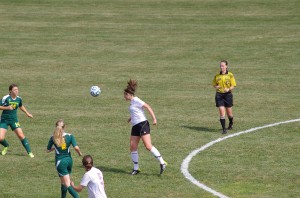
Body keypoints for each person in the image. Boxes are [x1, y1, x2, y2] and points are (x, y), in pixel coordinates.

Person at [123, 79, 167, 175]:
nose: (124, 96)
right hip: (135, 126)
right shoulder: (132, 103)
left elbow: (148, 107)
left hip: (142, 124)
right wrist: (131, 118)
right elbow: (137, 111)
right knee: (133, 147)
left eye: (125, 94)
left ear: (129, 94)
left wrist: (154, 119)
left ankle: (162, 163)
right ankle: (136, 168)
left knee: (148, 146)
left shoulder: (136, 100)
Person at [47, 119, 82, 198]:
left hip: (60, 162)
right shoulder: (70, 136)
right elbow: (76, 147)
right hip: (69, 160)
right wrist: (79, 153)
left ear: (56, 127)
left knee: (67, 184)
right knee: (63, 182)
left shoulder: (53, 137)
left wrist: (54, 148)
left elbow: (47, 150)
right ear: (64, 127)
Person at [0, 84, 34, 157]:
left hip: (14, 120)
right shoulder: (5, 98)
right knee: (0, 138)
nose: (17, 91)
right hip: (4, 120)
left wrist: (27, 113)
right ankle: (6, 146)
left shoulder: (19, 99)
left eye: (17, 89)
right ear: (10, 91)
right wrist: (7, 108)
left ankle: (29, 152)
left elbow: (21, 106)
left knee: (21, 136)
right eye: (15, 90)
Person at [212, 60, 237, 134]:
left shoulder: (230, 75)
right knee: (222, 112)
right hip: (219, 95)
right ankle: (224, 129)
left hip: (228, 95)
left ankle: (231, 123)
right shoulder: (217, 76)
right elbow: (214, 84)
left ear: (226, 66)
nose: (221, 67)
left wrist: (228, 89)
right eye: (220, 65)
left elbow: (233, 85)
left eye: (223, 65)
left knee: (229, 113)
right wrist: (216, 87)